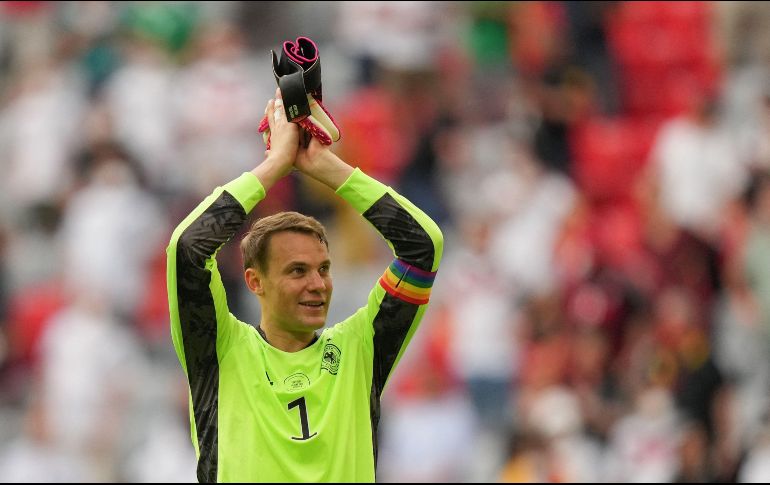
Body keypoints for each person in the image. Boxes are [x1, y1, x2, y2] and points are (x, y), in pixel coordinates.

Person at [166, 89, 443, 482]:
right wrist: (275, 166)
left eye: (324, 269)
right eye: (297, 271)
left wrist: (327, 167)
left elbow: (423, 247)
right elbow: (188, 248)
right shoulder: (220, 352)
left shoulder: (360, 350)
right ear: (254, 281)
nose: (317, 284)